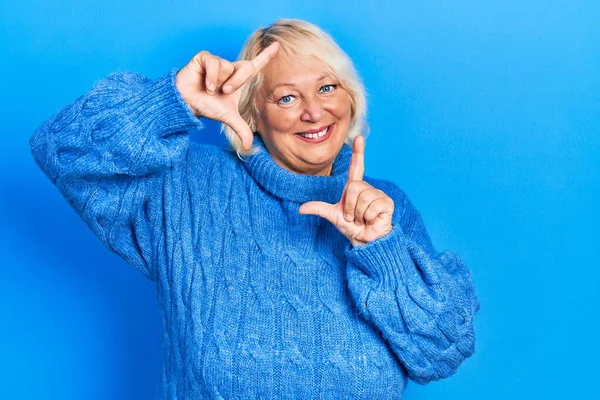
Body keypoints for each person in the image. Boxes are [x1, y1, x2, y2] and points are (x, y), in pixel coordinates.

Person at [30, 19, 479, 399]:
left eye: (327, 87)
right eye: (286, 97)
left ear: (351, 98)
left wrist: (382, 250)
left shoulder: (386, 208)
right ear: (251, 115)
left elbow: (441, 350)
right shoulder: (185, 187)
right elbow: (62, 150)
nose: (314, 111)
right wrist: (169, 103)